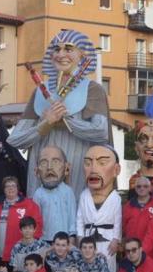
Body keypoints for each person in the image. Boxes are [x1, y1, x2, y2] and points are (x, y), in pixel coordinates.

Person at [7, 29, 112, 194]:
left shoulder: (92, 89)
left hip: (75, 173)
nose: (61, 54)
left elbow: (101, 132)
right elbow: (15, 140)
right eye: (57, 49)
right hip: (40, 179)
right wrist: (45, 125)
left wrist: (65, 121)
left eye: (68, 49)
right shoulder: (40, 92)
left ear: (82, 57)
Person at [76, 144, 123, 272]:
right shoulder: (84, 195)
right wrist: (80, 236)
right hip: (88, 237)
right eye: (87, 163)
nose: (93, 169)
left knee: (108, 266)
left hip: (107, 238)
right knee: (87, 266)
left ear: (116, 170)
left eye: (102, 162)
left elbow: (118, 221)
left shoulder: (116, 198)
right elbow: (80, 218)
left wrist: (116, 239)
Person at [0, 177, 42, 265]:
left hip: (20, 252)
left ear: (17, 188)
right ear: (3, 190)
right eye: (7, 186)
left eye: (13, 185)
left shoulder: (29, 205)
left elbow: (37, 226)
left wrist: (31, 247)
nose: (10, 188)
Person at [31, 146, 77, 243]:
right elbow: (35, 220)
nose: (49, 167)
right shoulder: (38, 194)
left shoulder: (67, 191)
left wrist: (72, 238)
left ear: (66, 168)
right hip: (43, 240)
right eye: (43, 163)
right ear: (37, 171)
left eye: (55, 162)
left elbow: (72, 217)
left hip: (64, 241)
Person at [123, 176, 153, 255]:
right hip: (133, 251)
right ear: (135, 188)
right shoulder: (128, 206)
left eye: (145, 186)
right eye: (139, 186)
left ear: (150, 188)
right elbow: (124, 227)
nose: (142, 188)